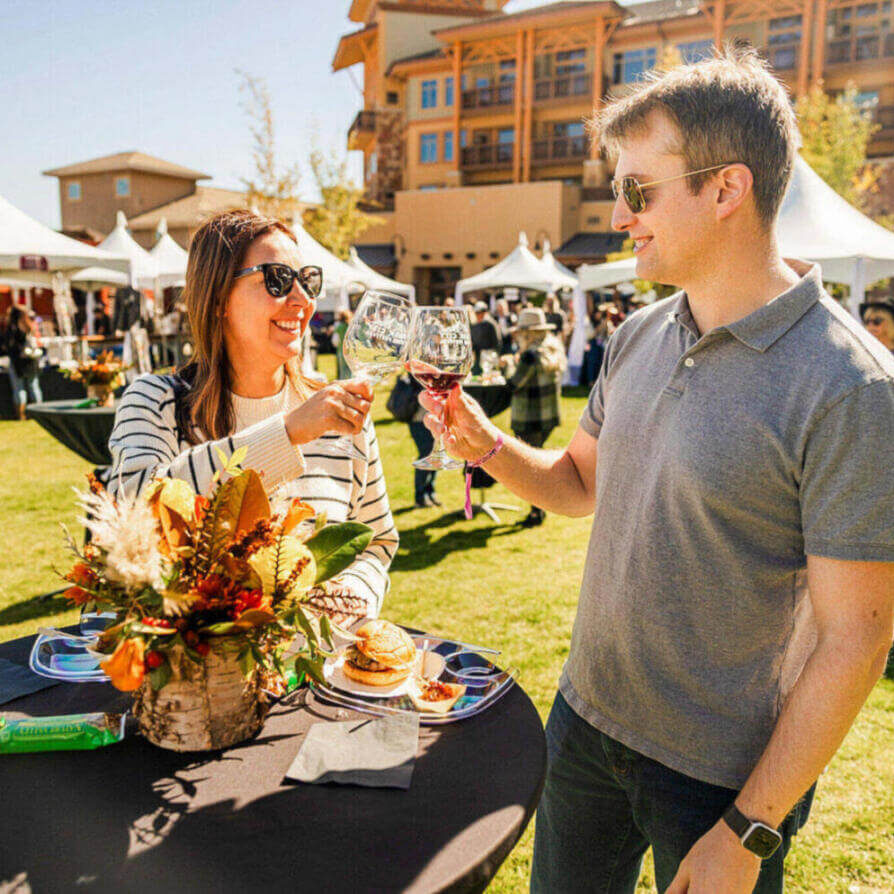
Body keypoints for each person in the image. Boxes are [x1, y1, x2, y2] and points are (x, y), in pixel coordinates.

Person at [422, 46, 894, 893]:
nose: (620, 211)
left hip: (720, 781)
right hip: (584, 725)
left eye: (639, 188)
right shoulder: (638, 334)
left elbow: (858, 638)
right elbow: (577, 485)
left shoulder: (850, 386)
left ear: (726, 190)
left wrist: (748, 829)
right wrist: (485, 444)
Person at [106, 209, 398, 620]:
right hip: (202, 676)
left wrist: (353, 595)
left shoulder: (342, 416)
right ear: (219, 296)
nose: (302, 299)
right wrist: (288, 433)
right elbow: (137, 513)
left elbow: (375, 541)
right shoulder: (155, 401)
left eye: (308, 279)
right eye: (277, 278)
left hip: (320, 673)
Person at [502, 308, 566, 527]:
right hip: (548, 415)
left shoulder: (530, 355)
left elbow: (513, 384)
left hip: (529, 417)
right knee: (538, 464)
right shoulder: (552, 348)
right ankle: (539, 509)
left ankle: (536, 511)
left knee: (530, 470)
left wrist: (508, 365)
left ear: (527, 334)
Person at [4, 306, 44, 419]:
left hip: (18, 362)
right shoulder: (30, 326)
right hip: (32, 361)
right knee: (34, 387)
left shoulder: (12, 329)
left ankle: (21, 415)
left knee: (19, 389)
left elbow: (9, 346)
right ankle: (40, 413)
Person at [470, 300, 501, 373]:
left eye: (480, 312)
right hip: (477, 357)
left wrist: (494, 354)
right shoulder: (474, 325)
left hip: (489, 356)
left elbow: (497, 342)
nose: (478, 314)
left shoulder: (491, 324)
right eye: (477, 313)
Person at [331, 308, 353, 379]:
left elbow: (334, 338)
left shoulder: (339, 326)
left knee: (342, 370)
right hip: (351, 350)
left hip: (341, 350)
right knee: (351, 370)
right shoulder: (351, 326)